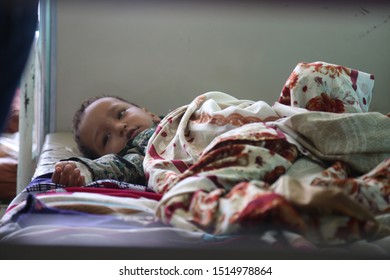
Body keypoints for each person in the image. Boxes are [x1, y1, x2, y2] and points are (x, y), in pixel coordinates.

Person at [51, 96, 161, 186]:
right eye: (106, 138)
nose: (119, 127)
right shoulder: (140, 154)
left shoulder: (176, 119)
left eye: (121, 114)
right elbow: (120, 167)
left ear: (149, 113)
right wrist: (85, 170)